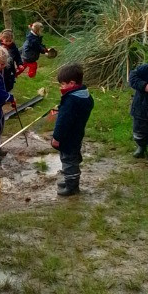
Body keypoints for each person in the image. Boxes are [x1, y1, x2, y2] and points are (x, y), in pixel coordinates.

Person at [50, 63, 95, 197]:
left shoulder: (70, 101)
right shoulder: (84, 95)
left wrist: (56, 138)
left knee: (69, 160)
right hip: (77, 133)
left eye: (63, 84)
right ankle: (69, 180)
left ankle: (72, 187)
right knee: (72, 158)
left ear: (72, 83)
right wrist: (62, 108)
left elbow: (62, 123)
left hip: (68, 137)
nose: (61, 87)